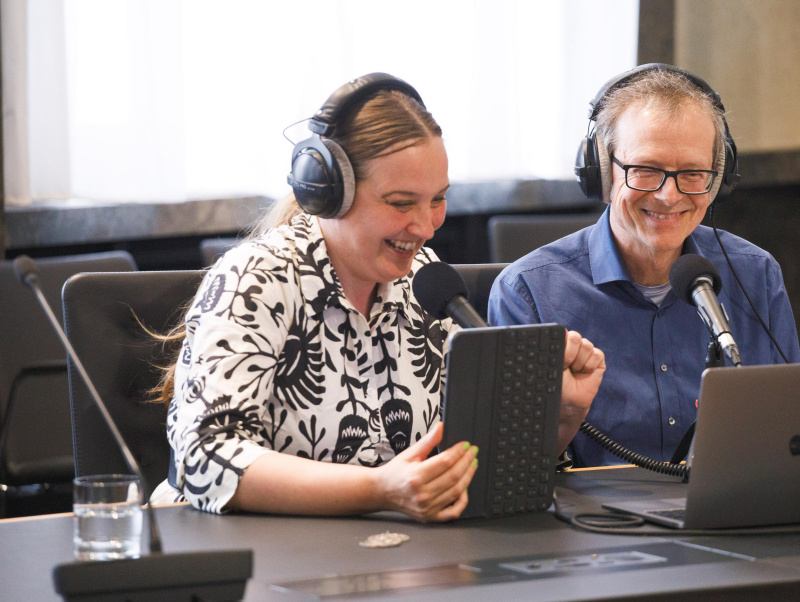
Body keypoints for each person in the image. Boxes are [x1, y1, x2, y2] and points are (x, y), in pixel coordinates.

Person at [150, 73, 606, 521]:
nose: (426, 227)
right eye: (401, 203)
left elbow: (469, 467)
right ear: (328, 193)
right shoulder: (257, 278)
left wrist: (562, 416)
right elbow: (203, 456)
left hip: (393, 551)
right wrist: (379, 489)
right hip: (254, 550)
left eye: (437, 200)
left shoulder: (425, 280)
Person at [488, 64, 800, 468]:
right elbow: (508, 467)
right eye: (646, 170)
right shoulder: (528, 292)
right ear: (602, 172)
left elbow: (788, 438)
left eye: (693, 173)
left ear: (718, 178)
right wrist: (562, 420)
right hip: (591, 509)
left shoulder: (757, 275)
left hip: (733, 504)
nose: (669, 196)